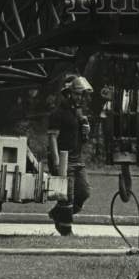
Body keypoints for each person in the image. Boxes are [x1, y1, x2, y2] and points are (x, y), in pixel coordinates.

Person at [47, 74, 94, 236]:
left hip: (78, 159)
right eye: (77, 94)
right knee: (67, 197)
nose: (80, 98)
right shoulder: (57, 113)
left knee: (84, 192)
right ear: (68, 93)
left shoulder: (79, 113)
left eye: (82, 95)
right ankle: (66, 230)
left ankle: (57, 213)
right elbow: (52, 138)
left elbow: (81, 138)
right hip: (64, 160)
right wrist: (57, 162)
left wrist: (86, 132)